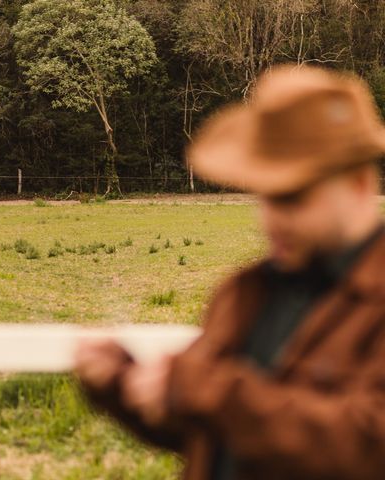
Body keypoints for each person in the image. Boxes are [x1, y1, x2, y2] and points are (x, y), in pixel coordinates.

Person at [74, 64, 385, 480]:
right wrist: (121, 386)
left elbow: (365, 446)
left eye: (292, 197)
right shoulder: (247, 289)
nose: (270, 220)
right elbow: (208, 431)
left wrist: (209, 389)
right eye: (264, 195)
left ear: (359, 184)